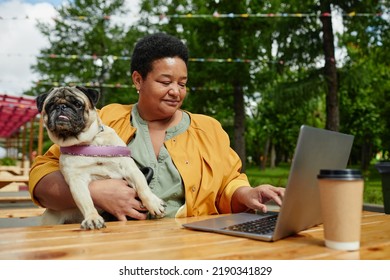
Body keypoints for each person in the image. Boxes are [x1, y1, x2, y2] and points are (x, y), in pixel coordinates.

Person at [29, 32, 284, 221]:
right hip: (107, 248)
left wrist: (248, 193)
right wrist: (94, 192)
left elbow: (229, 183)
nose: (175, 91)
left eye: (182, 83)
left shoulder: (209, 129)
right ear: (138, 80)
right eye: (165, 81)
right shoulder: (104, 121)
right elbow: (42, 176)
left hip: (186, 247)